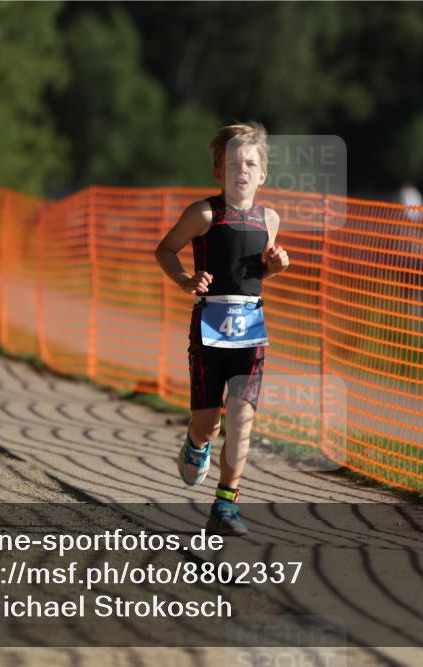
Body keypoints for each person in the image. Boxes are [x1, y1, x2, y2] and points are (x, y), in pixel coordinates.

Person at [154, 121, 289, 536]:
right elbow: (165, 249)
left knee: (242, 419)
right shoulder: (204, 214)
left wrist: (274, 266)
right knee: (209, 425)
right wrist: (184, 280)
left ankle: (225, 503)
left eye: (249, 164)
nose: (241, 171)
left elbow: (254, 273)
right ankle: (197, 444)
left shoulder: (269, 219)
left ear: (263, 174)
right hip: (209, 330)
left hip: (251, 332)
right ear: (217, 171)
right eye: (232, 164)